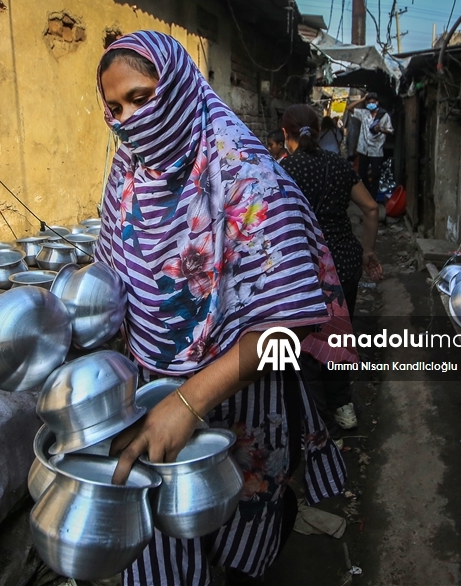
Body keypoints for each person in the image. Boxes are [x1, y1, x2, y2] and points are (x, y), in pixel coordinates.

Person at [95, 31, 354, 585]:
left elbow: (286, 327)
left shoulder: (245, 175)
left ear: (181, 88)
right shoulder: (128, 178)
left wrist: (187, 403)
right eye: (114, 107)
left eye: (142, 98)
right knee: (157, 540)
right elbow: (115, 276)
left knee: (235, 540)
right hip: (150, 398)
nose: (128, 119)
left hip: (241, 403)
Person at [279, 104, 383, 430]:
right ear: (320, 130)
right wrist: (366, 251)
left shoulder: (281, 171)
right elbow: (370, 209)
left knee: (306, 347)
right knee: (338, 335)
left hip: (303, 269)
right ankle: (343, 406)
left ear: (285, 134)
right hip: (344, 262)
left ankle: (319, 424)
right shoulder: (338, 164)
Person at [345, 92, 393, 199]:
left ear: (377, 103)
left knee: (375, 176)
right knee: (362, 174)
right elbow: (349, 108)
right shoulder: (364, 113)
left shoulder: (383, 115)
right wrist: (362, 99)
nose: (371, 104)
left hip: (376, 151)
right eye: (369, 102)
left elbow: (390, 130)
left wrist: (380, 129)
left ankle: (373, 198)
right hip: (363, 150)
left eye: (373, 102)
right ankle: (367, 195)